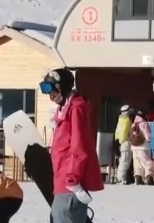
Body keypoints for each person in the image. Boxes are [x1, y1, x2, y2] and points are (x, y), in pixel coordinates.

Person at [40, 67, 103, 223]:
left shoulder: (75, 109)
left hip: (69, 183)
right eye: (47, 90)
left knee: (63, 215)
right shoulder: (64, 110)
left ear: (62, 87)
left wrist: (72, 176)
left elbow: (79, 145)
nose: (50, 95)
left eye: (52, 89)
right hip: (61, 180)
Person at [130, 109, 154, 185]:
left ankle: (138, 179)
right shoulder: (144, 123)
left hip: (134, 147)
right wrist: (149, 140)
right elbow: (148, 136)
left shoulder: (133, 124)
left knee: (137, 163)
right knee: (148, 162)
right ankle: (149, 178)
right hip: (143, 147)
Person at [114, 105, 134, 185]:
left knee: (123, 162)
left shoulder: (120, 120)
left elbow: (117, 132)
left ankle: (121, 178)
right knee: (125, 162)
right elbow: (123, 132)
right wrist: (122, 141)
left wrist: (118, 142)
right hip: (125, 143)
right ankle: (121, 179)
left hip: (121, 143)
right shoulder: (126, 120)